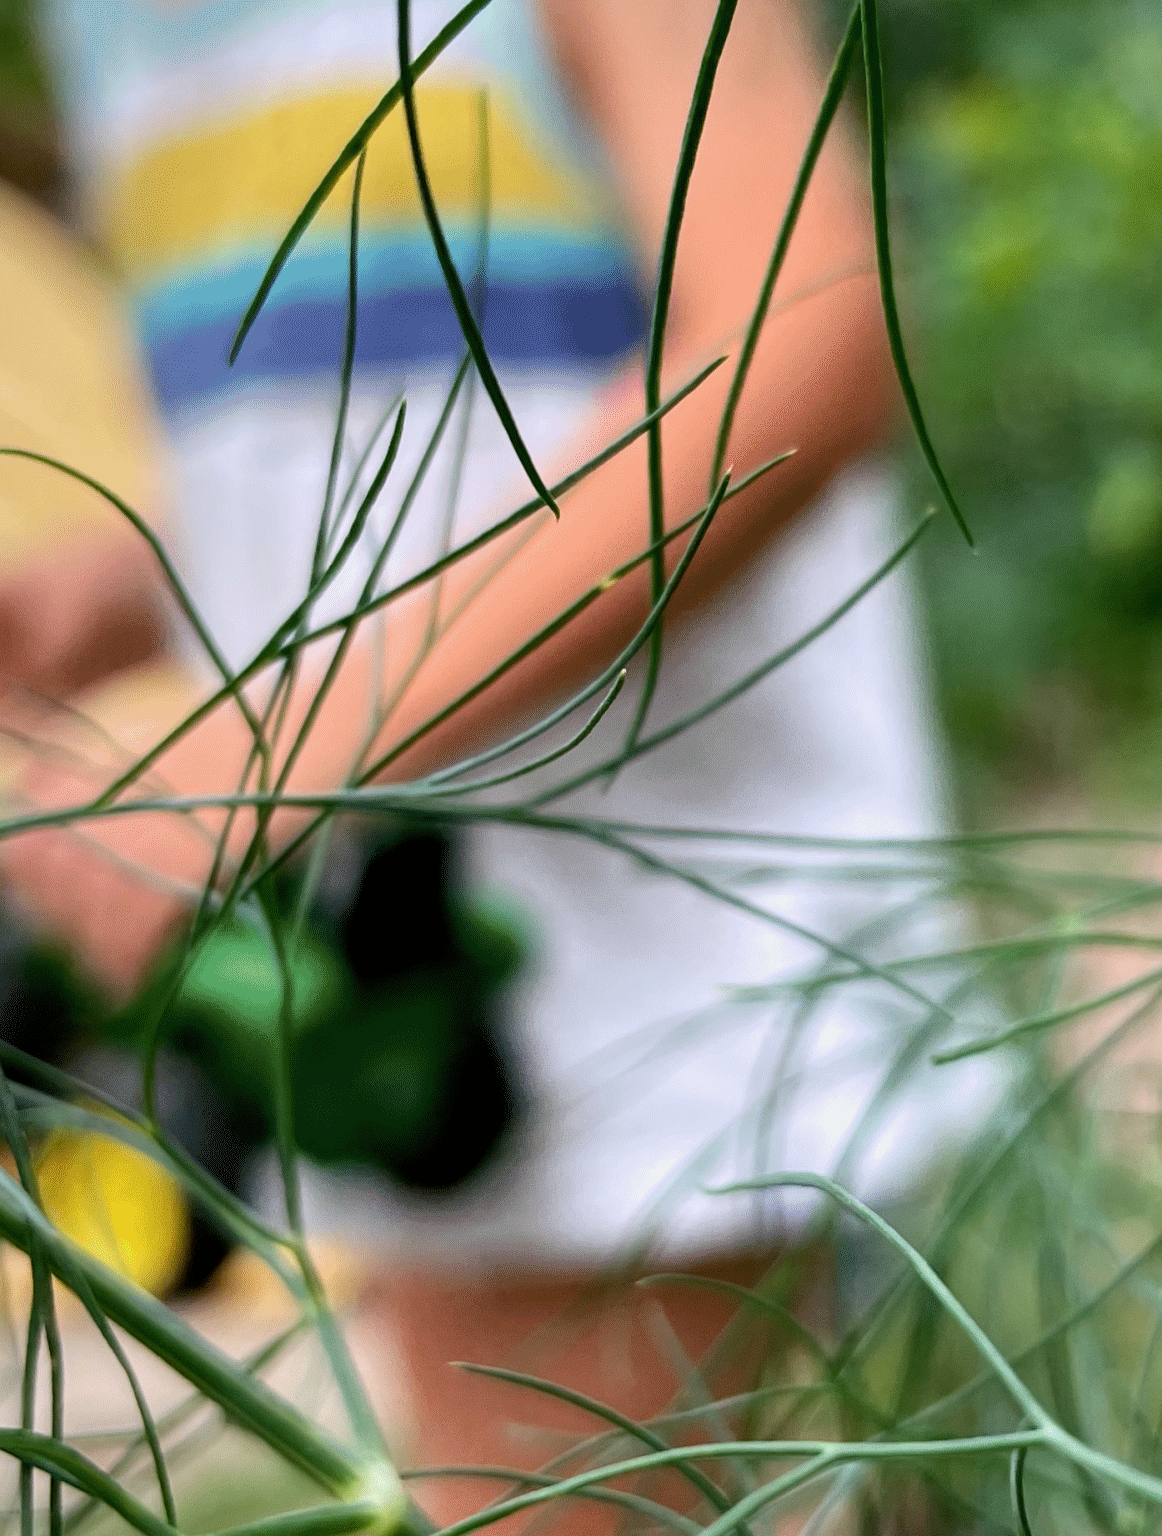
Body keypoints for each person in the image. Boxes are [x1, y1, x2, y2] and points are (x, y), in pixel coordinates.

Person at [1, 0, 993, 1521]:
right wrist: (142, 572)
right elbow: (353, 408)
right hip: (389, 958)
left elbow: (805, 337)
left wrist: (280, 744)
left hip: (669, 909)